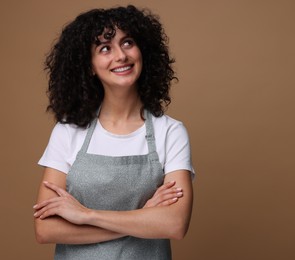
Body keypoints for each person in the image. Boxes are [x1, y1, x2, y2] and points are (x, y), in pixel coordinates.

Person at [33, 5, 194, 260]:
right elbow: (45, 228)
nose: (121, 56)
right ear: (89, 66)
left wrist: (86, 215)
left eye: (127, 42)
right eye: (105, 48)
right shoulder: (67, 132)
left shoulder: (170, 132)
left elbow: (174, 224)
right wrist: (144, 217)